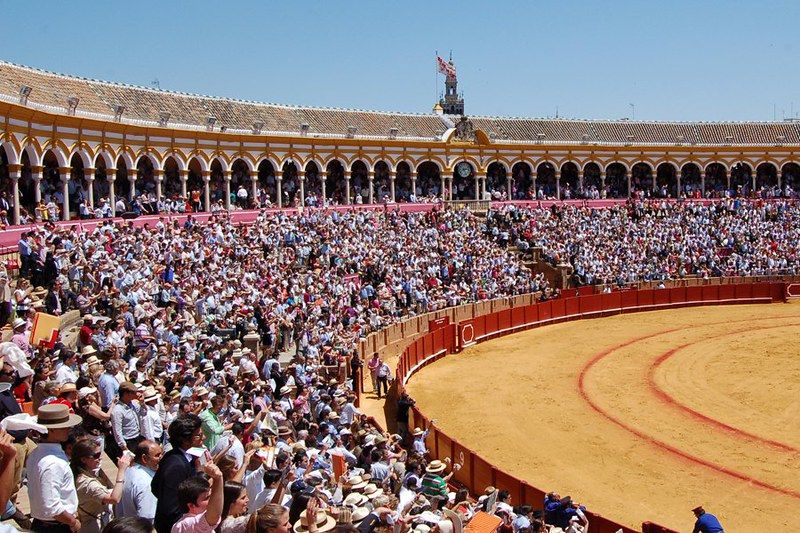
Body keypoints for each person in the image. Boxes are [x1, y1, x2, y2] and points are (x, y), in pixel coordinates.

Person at [27, 404, 83, 532]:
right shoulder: (53, 463)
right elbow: (52, 507)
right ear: (51, 430)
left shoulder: (35, 454)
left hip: (46, 524)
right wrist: (73, 522)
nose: (68, 428)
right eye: (63, 426)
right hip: (57, 526)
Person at [152, 414, 202, 533]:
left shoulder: (179, 457)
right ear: (184, 439)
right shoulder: (176, 465)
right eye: (198, 435)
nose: (203, 437)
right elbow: (170, 508)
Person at [70, 437, 131, 533]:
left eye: (100, 454)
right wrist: (121, 470)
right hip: (93, 527)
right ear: (83, 459)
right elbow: (114, 499)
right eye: (96, 455)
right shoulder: (87, 483)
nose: (100, 458)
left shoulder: (82, 474)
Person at [171, 462, 224, 533]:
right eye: (207, 498)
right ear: (191, 505)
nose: (212, 500)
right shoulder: (185, 525)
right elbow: (214, 517)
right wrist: (218, 478)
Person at [117, 440, 162, 523]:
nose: (161, 458)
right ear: (144, 458)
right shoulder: (146, 483)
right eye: (157, 455)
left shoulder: (127, 472)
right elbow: (147, 519)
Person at [111, 382, 142, 454]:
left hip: (137, 437)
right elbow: (117, 431)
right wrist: (124, 448)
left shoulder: (133, 404)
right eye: (133, 393)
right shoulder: (117, 411)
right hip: (128, 442)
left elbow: (143, 413)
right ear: (125, 394)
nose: (136, 395)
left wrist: (142, 403)